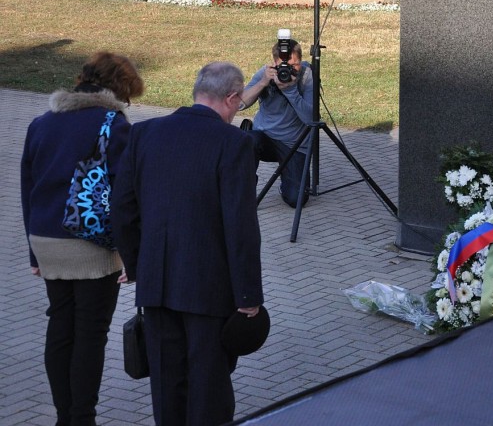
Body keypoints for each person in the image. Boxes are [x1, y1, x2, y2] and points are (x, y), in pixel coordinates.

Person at [110, 62, 263, 426]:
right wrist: (248, 296)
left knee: (167, 384)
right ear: (232, 98)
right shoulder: (234, 143)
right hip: (209, 289)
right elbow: (240, 226)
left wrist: (135, 264)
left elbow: (122, 208)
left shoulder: (144, 133)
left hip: (156, 284)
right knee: (209, 386)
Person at [20, 51, 144, 426]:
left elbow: (28, 188)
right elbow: (125, 196)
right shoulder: (114, 125)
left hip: (46, 239)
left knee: (60, 326)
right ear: (119, 88)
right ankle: (82, 417)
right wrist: (132, 254)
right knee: (90, 332)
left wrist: (34, 252)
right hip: (92, 244)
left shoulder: (41, 123)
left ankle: (64, 417)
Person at [239, 37, 314, 207]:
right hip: (264, 138)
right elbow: (239, 103)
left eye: (294, 65)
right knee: (249, 140)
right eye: (283, 65)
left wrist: (291, 91)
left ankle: (286, 182)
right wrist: (263, 83)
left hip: (294, 145)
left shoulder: (306, 76)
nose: (289, 70)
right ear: (274, 63)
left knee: (296, 199)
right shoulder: (266, 73)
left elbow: (310, 119)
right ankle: (244, 190)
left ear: (301, 61)